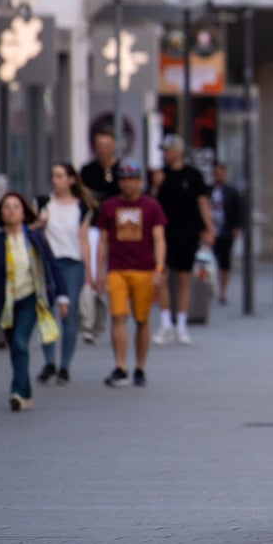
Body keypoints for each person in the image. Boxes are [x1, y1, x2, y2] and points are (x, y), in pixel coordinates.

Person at [0, 192, 68, 412]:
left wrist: (62, 296)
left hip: (30, 299)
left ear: (24, 212)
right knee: (15, 347)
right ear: (0, 213)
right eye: (6, 207)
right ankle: (25, 393)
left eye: (16, 207)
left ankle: (16, 390)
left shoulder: (34, 239)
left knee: (20, 342)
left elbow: (52, 266)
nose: (11, 211)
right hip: (6, 302)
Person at [97, 163, 167, 387]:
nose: (127, 183)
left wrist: (159, 268)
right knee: (118, 316)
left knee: (142, 319)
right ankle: (120, 366)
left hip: (144, 269)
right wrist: (98, 271)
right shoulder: (109, 206)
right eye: (123, 179)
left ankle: (139, 366)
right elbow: (102, 241)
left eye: (131, 178)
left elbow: (159, 238)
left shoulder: (151, 206)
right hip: (116, 268)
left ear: (139, 181)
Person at [33, 161, 96, 385]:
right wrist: (40, 223)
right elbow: (30, 231)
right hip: (49, 263)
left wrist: (89, 272)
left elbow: (84, 240)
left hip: (73, 263)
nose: (55, 180)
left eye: (60, 176)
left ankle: (65, 366)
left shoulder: (82, 207)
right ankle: (49, 361)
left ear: (71, 179)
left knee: (68, 313)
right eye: (53, 175)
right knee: (46, 313)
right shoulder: (43, 203)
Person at [151, 134, 215, 345]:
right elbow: (151, 203)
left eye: (168, 150)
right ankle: (165, 322)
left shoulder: (193, 175)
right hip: (164, 233)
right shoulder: (160, 176)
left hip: (188, 232)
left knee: (183, 279)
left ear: (178, 151)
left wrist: (208, 227)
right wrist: (156, 186)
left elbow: (202, 203)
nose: (165, 154)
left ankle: (181, 324)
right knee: (162, 275)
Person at [78, 127, 122, 344]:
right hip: (95, 227)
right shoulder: (88, 171)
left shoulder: (122, 170)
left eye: (107, 145)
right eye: (100, 146)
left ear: (114, 146)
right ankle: (90, 319)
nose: (104, 150)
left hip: (119, 230)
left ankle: (111, 314)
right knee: (92, 271)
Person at [209, 161, 243, 305]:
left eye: (220, 172)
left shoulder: (231, 192)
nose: (218, 174)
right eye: (216, 172)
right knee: (209, 261)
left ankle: (223, 290)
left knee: (224, 262)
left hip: (225, 231)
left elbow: (238, 210)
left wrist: (236, 227)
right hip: (211, 231)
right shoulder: (208, 190)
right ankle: (210, 287)